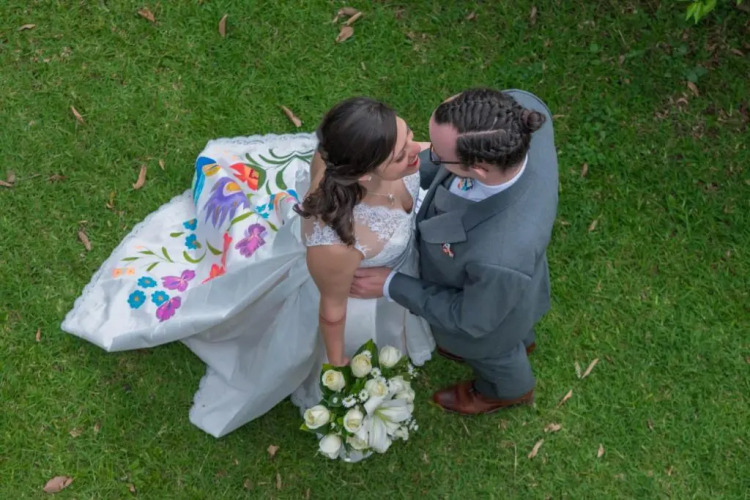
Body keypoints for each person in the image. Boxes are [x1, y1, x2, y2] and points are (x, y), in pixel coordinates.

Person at [62, 97, 434, 438]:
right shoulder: (337, 244)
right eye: (401, 154)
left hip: (384, 271)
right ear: (365, 175)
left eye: (408, 136)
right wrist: (338, 364)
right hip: (353, 296)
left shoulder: (382, 158)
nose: (417, 149)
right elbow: (332, 312)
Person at [351, 88, 558, 415]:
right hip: (509, 285)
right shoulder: (518, 111)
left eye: (437, 153)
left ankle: (507, 391)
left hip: (487, 316)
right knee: (516, 323)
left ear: (479, 169)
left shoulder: (499, 255)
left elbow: (471, 319)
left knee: (496, 351)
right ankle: (522, 336)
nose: (425, 152)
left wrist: (390, 284)